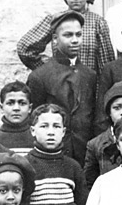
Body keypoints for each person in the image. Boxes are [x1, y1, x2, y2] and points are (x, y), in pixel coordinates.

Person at [17, 0, 115, 78]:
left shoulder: (98, 23)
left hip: (88, 86)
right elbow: (25, 49)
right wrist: (49, 70)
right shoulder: (56, 20)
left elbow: (106, 64)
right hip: (59, 84)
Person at [26, 9, 98, 145]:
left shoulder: (90, 75)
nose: (75, 40)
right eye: (68, 35)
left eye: (78, 35)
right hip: (55, 151)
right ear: (54, 39)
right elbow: (34, 120)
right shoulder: (40, 76)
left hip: (84, 151)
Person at [0, 81, 37, 156]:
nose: (16, 108)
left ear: (30, 108)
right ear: (1, 107)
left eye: (22, 103)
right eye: (10, 103)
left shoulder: (38, 137)